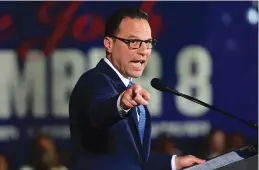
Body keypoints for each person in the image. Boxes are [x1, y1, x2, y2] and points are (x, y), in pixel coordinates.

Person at [69, 8, 205, 170]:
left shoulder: (132, 92)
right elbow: (98, 113)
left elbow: (134, 163)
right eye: (133, 42)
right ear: (109, 44)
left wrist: (174, 163)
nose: (143, 51)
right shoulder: (94, 81)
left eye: (148, 43)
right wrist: (121, 104)